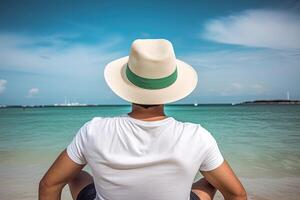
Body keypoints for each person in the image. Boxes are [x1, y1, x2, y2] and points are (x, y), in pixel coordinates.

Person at [39, 39, 247, 200]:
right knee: (212, 182)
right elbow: (237, 194)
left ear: (127, 86)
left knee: (71, 174)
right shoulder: (197, 136)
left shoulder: (93, 130)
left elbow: (49, 185)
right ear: (170, 90)